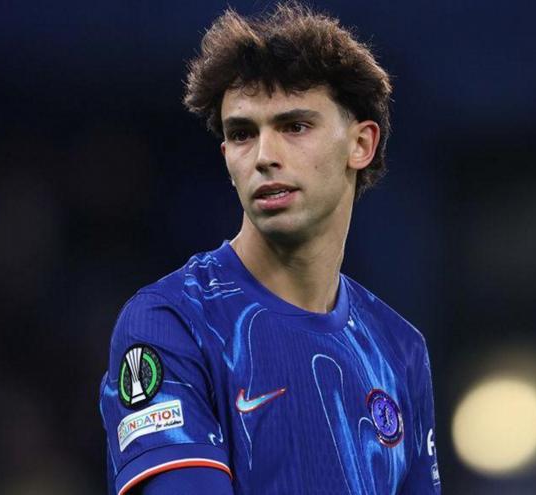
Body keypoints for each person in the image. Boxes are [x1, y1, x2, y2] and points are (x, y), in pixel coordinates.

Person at [99, 3, 441, 494]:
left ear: (361, 145)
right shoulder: (170, 324)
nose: (263, 157)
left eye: (294, 126)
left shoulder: (400, 349)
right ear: (226, 157)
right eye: (242, 134)